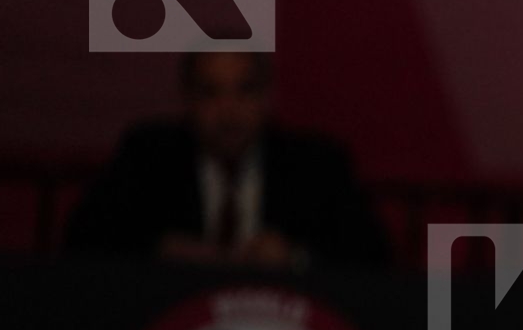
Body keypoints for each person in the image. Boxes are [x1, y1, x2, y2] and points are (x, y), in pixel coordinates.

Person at [63, 50, 391, 267]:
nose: (228, 111)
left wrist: (294, 257)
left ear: (266, 97)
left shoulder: (314, 164)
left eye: (245, 91)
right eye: (210, 93)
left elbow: (374, 253)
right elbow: (82, 240)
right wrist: (159, 250)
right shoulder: (149, 155)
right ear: (187, 98)